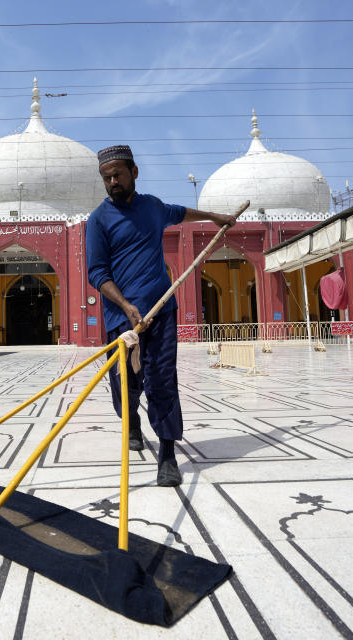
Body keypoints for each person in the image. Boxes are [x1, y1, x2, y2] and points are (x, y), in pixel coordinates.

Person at [86, 145, 236, 486]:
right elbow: (97, 272)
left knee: (163, 379)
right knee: (126, 382)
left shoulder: (152, 207)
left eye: (118, 175)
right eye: (106, 178)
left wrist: (214, 217)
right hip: (123, 319)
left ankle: (167, 453)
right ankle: (133, 423)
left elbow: (179, 213)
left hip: (162, 311)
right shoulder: (99, 220)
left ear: (134, 172)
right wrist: (126, 306)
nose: (112, 182)